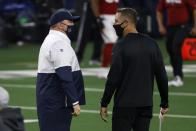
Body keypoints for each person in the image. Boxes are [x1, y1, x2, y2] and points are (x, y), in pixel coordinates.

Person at [100, 8, 169, 131]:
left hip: (124, 106)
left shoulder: (121, 45)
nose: (114, 24)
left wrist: (104, 103)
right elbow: (161, 75)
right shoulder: (152, 44)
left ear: (125, 23)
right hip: (146, 105)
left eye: (116, 21)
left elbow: (113, 78)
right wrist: (164, 102)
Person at [36, 9, 86, 131]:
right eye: (69, 22)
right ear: (60, 25)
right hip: (56, 101)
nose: (72, 25)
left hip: (52, 100)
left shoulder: (55, 40)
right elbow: (64, 74)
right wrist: (74, 101)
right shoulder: (58, 42)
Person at [156, 0, 196, 87]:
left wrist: (195, 26)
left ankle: (179, 76)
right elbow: (159, 10)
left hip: (184, 25)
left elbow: (194, 9)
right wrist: (160, 25)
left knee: (176, 46)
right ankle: (176, 75)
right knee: (169, 48)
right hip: (170, 27)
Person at [91, 0, 119, 67]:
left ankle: (108, 64)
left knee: (115, 42)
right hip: (105, 18)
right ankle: (105, 66)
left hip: (116, 17)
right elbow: (94, 3)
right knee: (110, 42)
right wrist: (98, 18)